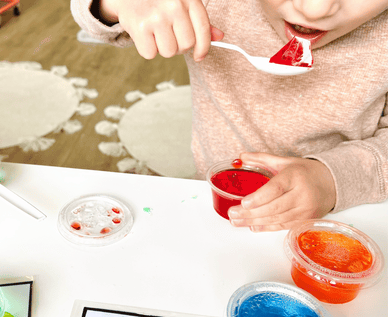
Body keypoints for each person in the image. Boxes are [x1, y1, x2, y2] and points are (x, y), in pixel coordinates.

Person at [71, 0, 388, 232]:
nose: (315, 9)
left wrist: (330, 180)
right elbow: (88, 15)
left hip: (350, 212)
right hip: (218, 199)